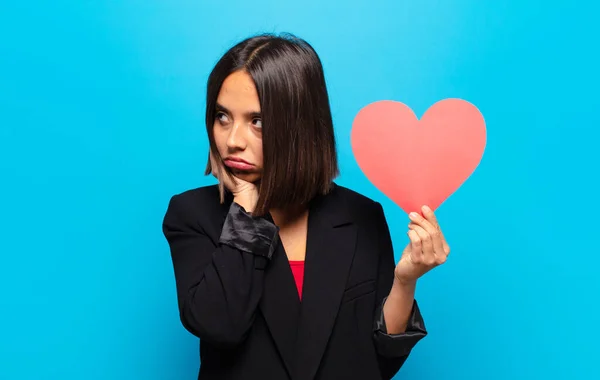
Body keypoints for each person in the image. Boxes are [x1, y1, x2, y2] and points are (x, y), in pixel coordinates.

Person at [162, 33, 451, 380]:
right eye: (223, 117)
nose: (233, 140)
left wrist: (405, 282)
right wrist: (247, 211)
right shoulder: (192, 214)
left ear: (299, 126)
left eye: (257, 121)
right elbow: (220, 326)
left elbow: (376, 360)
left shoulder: (360, 216)